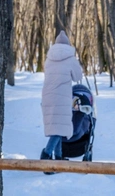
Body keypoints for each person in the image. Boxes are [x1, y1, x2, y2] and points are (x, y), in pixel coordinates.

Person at [41, 30, 83, 164]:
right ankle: (46, 155)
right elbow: (78, 77)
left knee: (57, 127)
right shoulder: (70, 58)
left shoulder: (48, 59)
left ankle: (58, 159)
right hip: (62, 98)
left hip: (48, 96)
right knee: (59, 129)